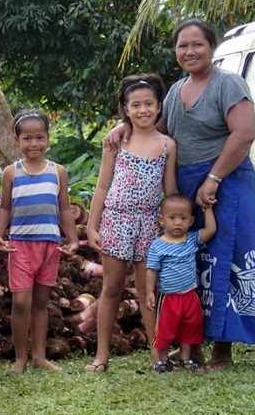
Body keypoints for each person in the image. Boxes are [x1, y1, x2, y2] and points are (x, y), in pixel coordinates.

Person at [107, 19, 255, 369]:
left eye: (197, 44)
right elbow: (152, 127)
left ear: (212, 47)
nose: (190, 51)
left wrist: (214, 177)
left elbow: (244, 133)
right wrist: (123, 125)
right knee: (192, 264)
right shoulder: (175, 91)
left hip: (226, 181)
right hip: (186, 190)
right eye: (183, 46)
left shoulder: (229, 83)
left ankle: (223, 349)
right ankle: (192, 347)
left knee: (226, 259)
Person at [84, 74, 178, 373]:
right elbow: (102, 186)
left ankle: (158, 354)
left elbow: (171, 190)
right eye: (135, 105)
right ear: (125, 109)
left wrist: (172, 227)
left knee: (147, 290)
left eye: (149, 103)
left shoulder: (167, 145)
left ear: (159, 106)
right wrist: (91, 225)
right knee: (111, 288)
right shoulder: (116, 141)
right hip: (116, 220)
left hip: (150, 223)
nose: (143, 110)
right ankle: (101, 356)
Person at [0, 110, 80, 374]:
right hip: (20, 246)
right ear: (17, 139)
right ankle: (21, 358)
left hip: (49, 246)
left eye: (40, 137)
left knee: (41, 302)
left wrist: (73, 238)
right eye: (27, 138)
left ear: (47, 138)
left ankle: (39, 357)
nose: (34, 144)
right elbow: (5, 207)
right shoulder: (11, 172)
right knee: (21, 303)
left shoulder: (58, 172)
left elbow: (64, 208)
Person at [146, 194, 216, 374]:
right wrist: (149, 293)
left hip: (189, 295)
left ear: (191, 221)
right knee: (164, 329)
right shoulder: (157, 246)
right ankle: (162, 360)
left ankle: (186, 359)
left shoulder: (191, 240)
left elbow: (210, 230)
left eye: (183, 218)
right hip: (168, 297)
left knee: (190, 327)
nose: (178, 223)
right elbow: (152, 270)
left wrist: (207, 210)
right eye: (172, 218)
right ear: (161, 220)